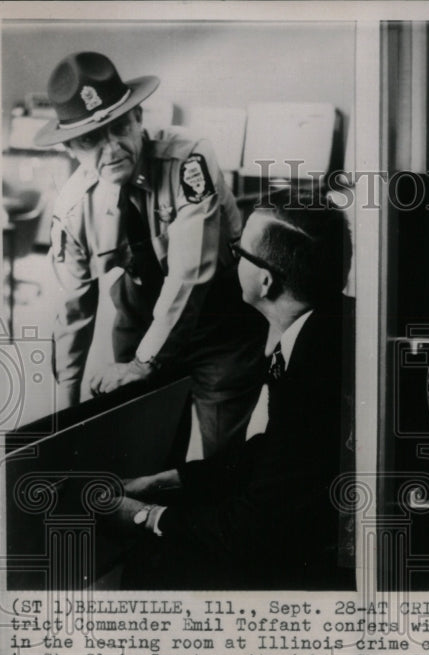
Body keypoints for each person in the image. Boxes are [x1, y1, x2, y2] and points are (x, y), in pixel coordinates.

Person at [111, 200, 353, 590]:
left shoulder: (312, 369)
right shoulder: (325, 329)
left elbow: (255, 527)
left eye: (239, 251)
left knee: (154, 564)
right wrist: (168, 480)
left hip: (315, 560)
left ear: (266, 282)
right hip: (309, 523)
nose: (231, 257)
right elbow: (273, 452)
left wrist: (146, 516)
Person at [35, 51, 265, 459]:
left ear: (138, 118)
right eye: (90, 140)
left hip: (219, 322)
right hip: (140, 320)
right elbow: (73, 315)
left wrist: (143, 364)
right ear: (71, 148)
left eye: (118, 126)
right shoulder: (72, 209)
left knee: (219, 462)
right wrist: (64, 420)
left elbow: (189, 276)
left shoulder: (189, 159)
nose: (111, 148)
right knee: (144, 454)